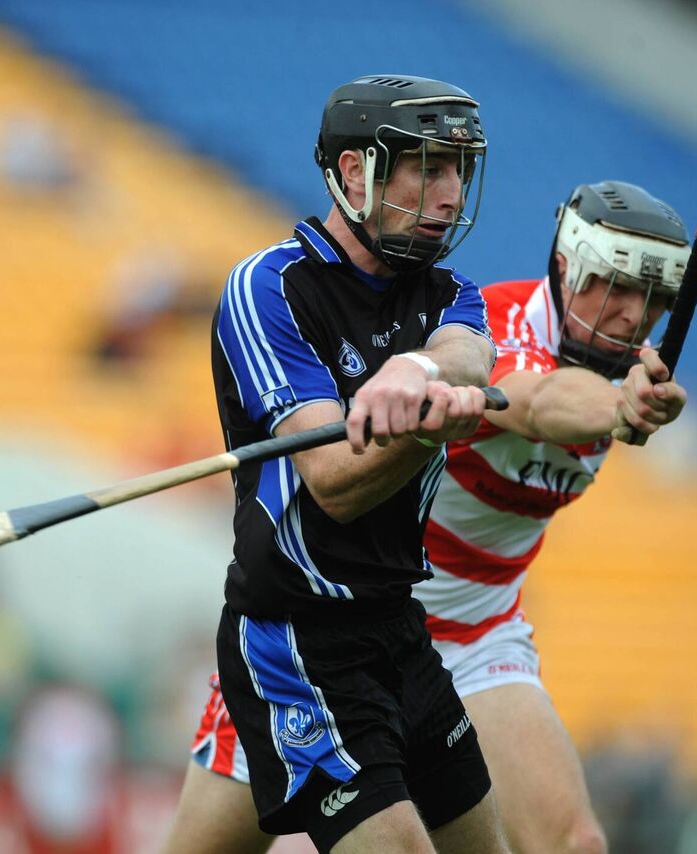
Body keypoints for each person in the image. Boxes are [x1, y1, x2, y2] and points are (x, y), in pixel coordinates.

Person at [165, 179, 691, 854]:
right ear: (568, 267)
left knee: (573, 843)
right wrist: (620, 410)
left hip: (476, 635)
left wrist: (625, 399)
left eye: (654, 299)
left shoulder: (636, 373)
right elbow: (532, 403)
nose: (631, 314)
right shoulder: (492, 324)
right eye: (615, 286)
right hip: (337, 636)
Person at [176, 74, 513, 854]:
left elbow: (467, 357)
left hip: (398, 627)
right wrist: (427, 432)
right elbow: (331, 483)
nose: (449, 194)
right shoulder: (270, 289)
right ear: (356, 174)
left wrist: (420, 377)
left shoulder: (452, 295)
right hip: (298, 641)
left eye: (459, 169)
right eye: (427, 168)